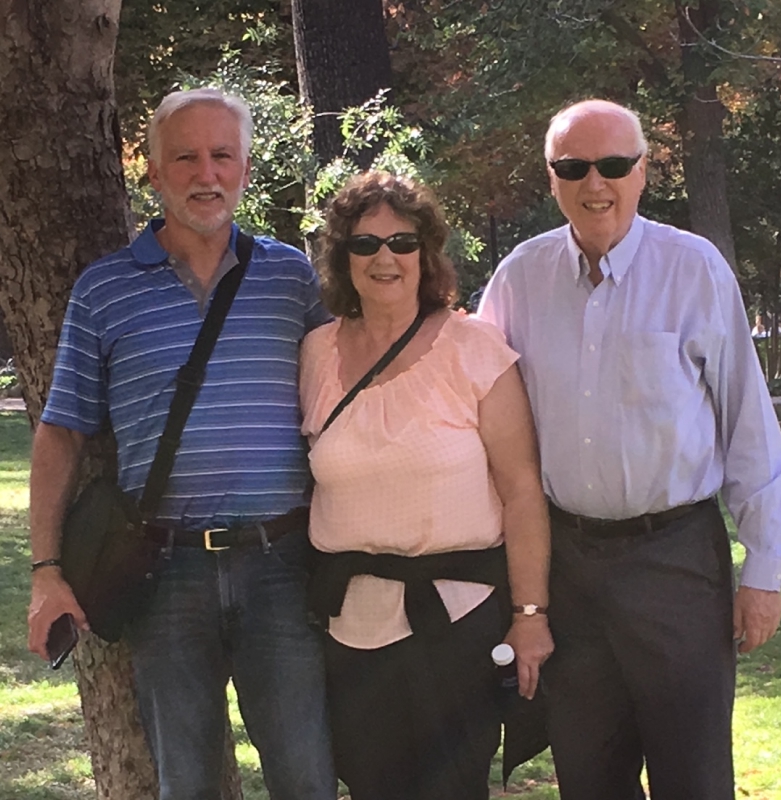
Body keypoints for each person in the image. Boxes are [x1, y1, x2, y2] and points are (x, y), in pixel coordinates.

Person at [26, 88, 337, 800]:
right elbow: (63, 431)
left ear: (246, 169)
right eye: (186, 157)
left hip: (282, 567)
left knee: (307, 778)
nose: (207, 174)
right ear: (155, 174)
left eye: (222, 155)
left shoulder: (291, 277)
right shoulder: (104, 291)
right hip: (162, 574)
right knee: (185, 785)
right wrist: (45, 569)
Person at [478, 98, 781, 800]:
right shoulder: (518, 280)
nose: (596, 184)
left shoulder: (693, 269)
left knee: (694, 776)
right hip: (568, 570)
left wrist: (764, 569)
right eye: (575, 167)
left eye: (615, 165)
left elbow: (747, 422)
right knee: (590, 776)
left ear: (643, 172)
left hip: (674, 564)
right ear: (551, 177)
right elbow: (471, 404)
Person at [299, 170, 553, 800]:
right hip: (349, 624)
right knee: (371, 785)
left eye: (402, 242)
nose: (385, 257)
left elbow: (522, 491)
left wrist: (529, 615)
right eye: (365, 244)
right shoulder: (315, 354)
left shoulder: (474, 348)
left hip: (456, 621)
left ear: (426, 252)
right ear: (342, 257)